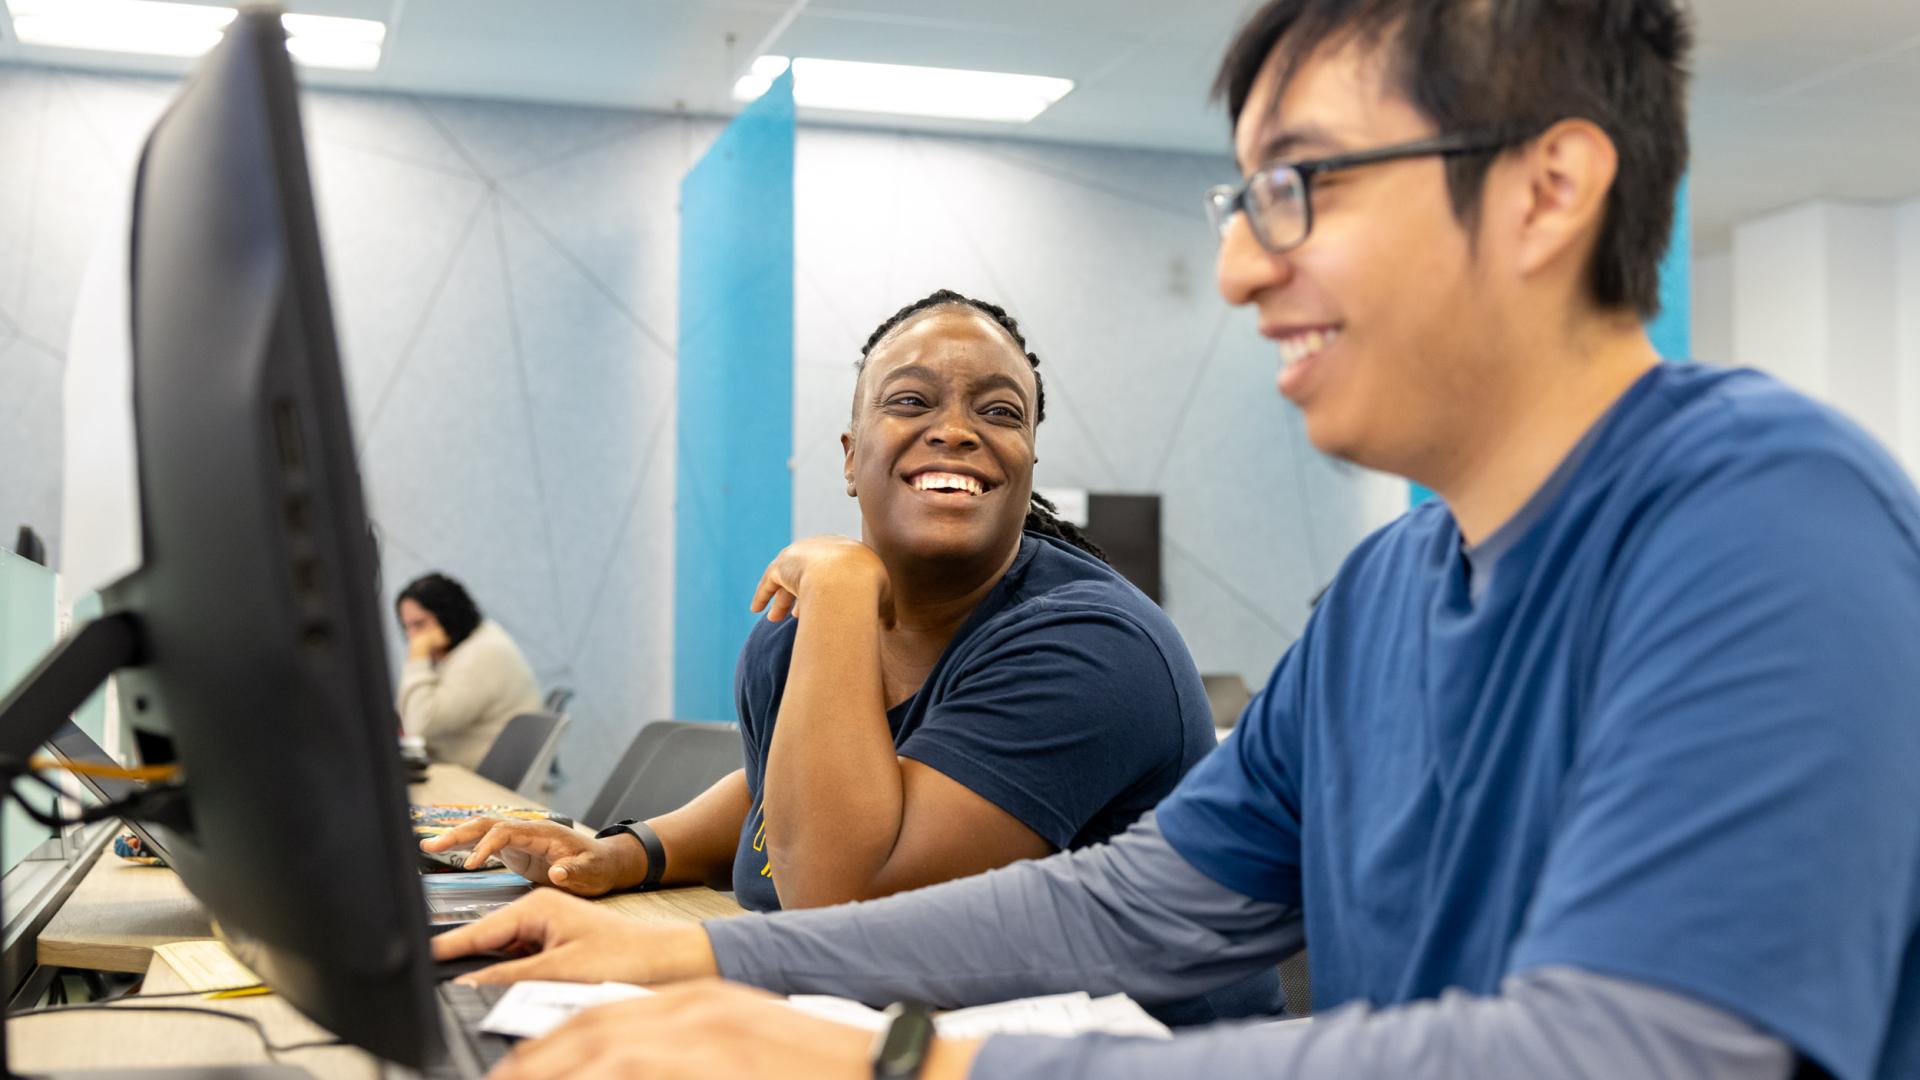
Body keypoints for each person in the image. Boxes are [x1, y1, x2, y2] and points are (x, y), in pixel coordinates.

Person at [435, 2, 1920, 1077]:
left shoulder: (1768, 519)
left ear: (1548, 190)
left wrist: (903, 1067)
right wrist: (707, 953)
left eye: (1299, 190)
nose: (1236, 268)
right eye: (1241, 198)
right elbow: (1134, 906)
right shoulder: (1386, 595)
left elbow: (1636, 1049)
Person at [424, 291, 1271, 1022]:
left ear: (1028, 461)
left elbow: (839, 914)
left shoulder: (1089, 647)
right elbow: (781, 787)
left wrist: (838, 580)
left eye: (1001, 412)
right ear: (849, 456)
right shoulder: (798, 639)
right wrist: (631, 851)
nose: (956, 431)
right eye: (910, 402)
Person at [394, 572, 541, 771]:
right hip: (466, 775)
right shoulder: (461, 648)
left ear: (447, 615)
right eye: (407, 627)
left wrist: (417, 657)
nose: (413, 637)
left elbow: (421, 727)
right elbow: (408, 718)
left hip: (488, 788)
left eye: (419, 624)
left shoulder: (484, 652)